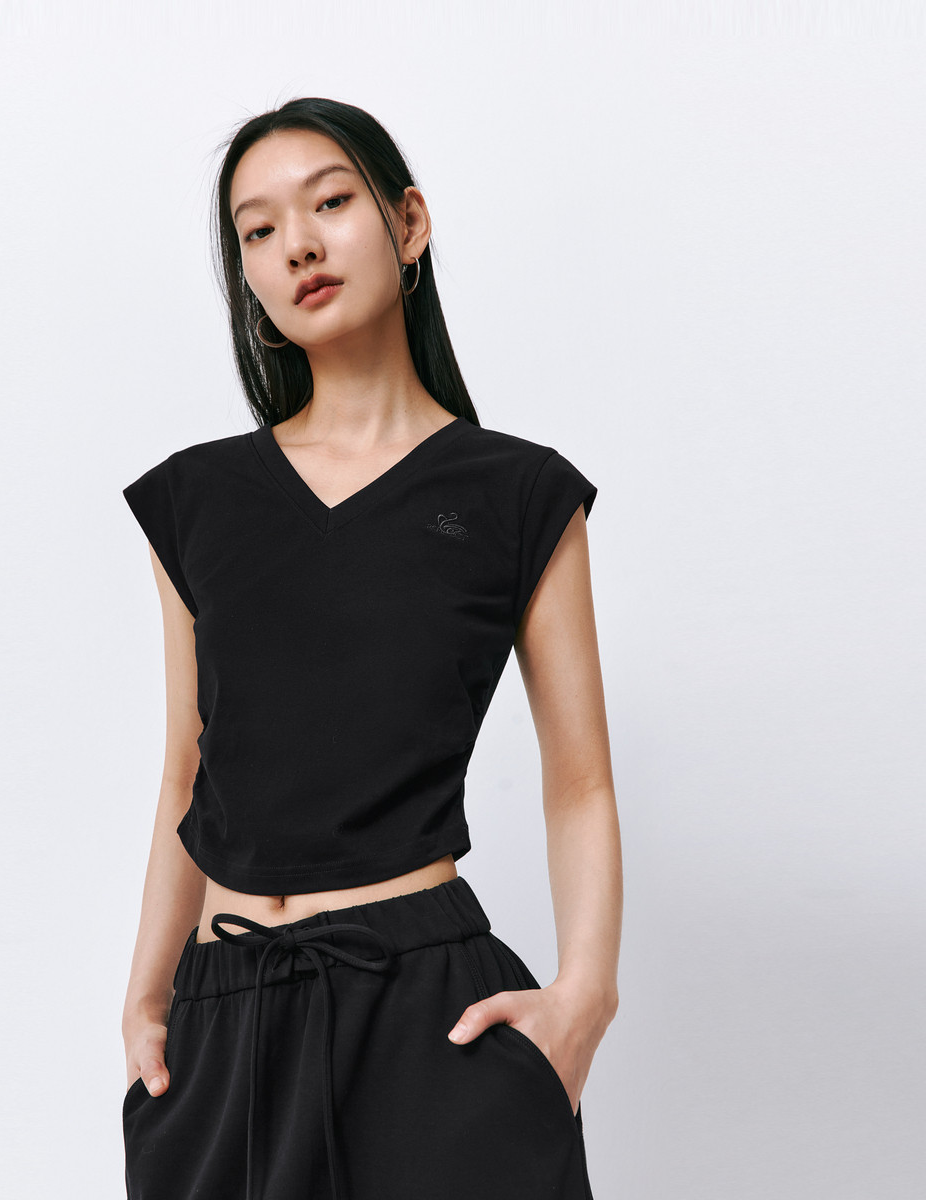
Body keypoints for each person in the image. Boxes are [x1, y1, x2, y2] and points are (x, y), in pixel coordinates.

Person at [118, 96, 622, 1200]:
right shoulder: (195, 501)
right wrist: (148, 996)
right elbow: (189, 772)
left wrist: (584, 998)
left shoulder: (518, 494)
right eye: (258, 230)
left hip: (429, 1021)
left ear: (409, 224)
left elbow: (579, 778)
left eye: (331, 203)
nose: (296, 244)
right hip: (223, 1020)